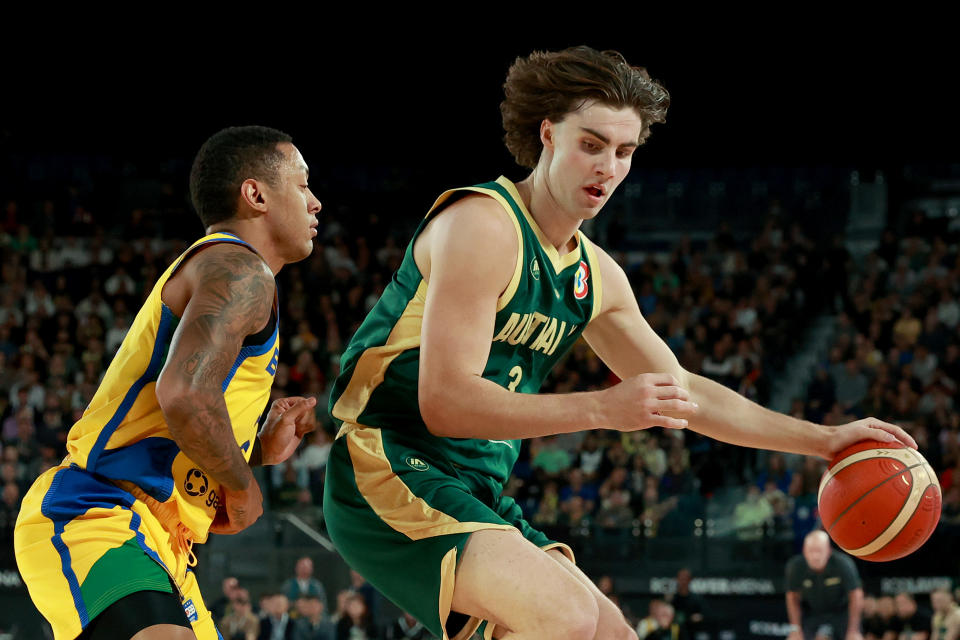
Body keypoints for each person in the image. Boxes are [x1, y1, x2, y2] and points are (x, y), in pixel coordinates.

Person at [323, 45, 916, 640]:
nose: (608, 167)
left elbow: (683, 394)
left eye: (624, 151)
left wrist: (823, 440)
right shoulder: (484, 225)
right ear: (548, 134)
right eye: (591, 144)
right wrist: (601, 409)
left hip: (471, 485)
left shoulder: (596, 275)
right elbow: (445, 404)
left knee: (614, 636)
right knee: (567, 617)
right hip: (387, 459)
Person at [14, 125, 322, 640]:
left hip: (165, 544)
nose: (316, 202)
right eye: (303, 184)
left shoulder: (232, 274)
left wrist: (253, 454)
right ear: (256, 194)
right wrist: (245, 488)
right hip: (97, 512)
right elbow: (185, 393)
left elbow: (177, 420)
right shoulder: (240, 270)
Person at [785, 530, 864, 640]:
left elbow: (856, 594)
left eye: (819, 551)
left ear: (828, 551)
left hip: (841, 613)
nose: (815, 556)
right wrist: (795, 629)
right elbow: (792, 597)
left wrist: (853, 630)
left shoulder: (843, 563)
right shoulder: (795, 567)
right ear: (804, 551)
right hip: (812, 614)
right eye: (811, 551)